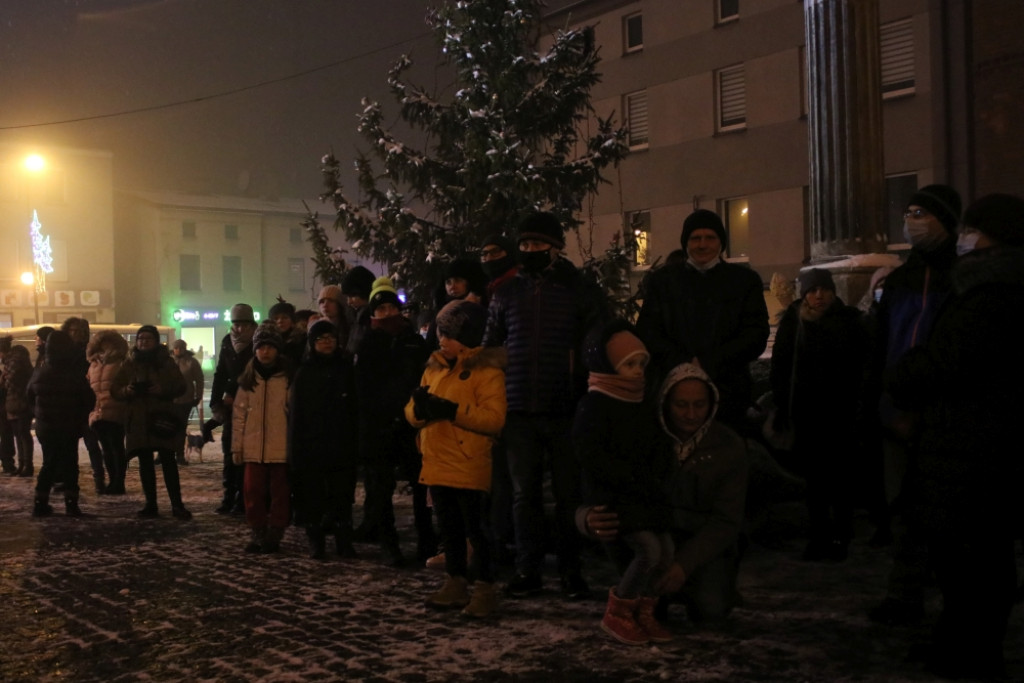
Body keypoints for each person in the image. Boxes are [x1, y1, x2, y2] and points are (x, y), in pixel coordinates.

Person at [887, 193, 1024, 679]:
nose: (967, 238)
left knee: (974, 564)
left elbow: (947, 361)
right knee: (968, 561)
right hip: (969, 448)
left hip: (974, 450)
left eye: (972, 229)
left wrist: (907, 374)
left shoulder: (991, 298)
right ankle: (957, 642)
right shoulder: (984, 290)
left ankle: (972, 653)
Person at [483, 211, 608, 600]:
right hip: (519, 407)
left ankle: (572, 572)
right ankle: (528, 570)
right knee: (525, 495)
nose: (529, 251)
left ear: (555, 248)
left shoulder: (579, 288)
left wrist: (584, 386)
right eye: (524, 245)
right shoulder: (506, 293)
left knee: (569, 494)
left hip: (565, 404)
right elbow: (492, 345)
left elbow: (598, 340)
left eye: (537, 244)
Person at [579, 363, 749, 627]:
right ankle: (633, 604)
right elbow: (600, 481)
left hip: (698, 541)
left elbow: (726, 520)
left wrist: (684, 563)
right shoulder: (641, 436)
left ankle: (702, 586)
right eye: (681, 404)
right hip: (651, 533)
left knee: (711, 613)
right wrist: (585, 517)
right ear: (666, 402)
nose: (691, 414)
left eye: (699, 404)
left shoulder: (729, 447)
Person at [867, 184, 962, 626]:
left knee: (946, 511)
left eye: (921, 212)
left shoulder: (962, 279)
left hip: (944, 415)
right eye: (908, 212)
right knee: (903, 507)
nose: (911, 221)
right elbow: (879, 342)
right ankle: (903, 594)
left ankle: (952, 600)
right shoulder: (901, 278)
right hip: (895, 411)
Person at [573, 320, 674, 645]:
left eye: (640, 363)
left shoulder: (640, 402)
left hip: (645, 493)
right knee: (648, 549)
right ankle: (619, 611)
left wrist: (655, 474)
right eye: (628, 364)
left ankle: (645, 610)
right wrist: (635, 478)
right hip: (618, 496)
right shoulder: (596, 404)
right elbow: (592, 456)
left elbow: (656, 444)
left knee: (665, 549)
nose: (637, 371)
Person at [406, 299, 506, 617]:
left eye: (448, 334)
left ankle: (485, 589)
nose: (442, 340)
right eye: (440, 334)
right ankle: (455, 581)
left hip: (469, 459)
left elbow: (494, 419)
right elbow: (412, 408)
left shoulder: (485, 369)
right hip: (437, 460)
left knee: (477, 529)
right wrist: (419, 410)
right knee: (448, 527)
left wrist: (452, 411)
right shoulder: (434, 365)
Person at [635, 209, 769, 431]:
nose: (702, 245)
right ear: (686, 242)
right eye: (695, 238)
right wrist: (682, 361)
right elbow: (648, 331)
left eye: (710, 238)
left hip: (729, 389)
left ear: (721, 242)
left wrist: (710, 362)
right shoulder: (663, 281)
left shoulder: (744, 281)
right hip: (673, 387)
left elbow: (755, 334)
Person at [770, 268, 868, 561]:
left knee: (840, 477)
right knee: (815, 480)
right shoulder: (794, 322)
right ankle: (819, 535)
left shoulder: (849, 322)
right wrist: (782, 405)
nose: (818, 295)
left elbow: (860, 367)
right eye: (812, 290)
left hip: (841, 413)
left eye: (824, 289)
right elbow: (781, 367)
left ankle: (841, 533)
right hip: (806, 413)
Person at [354, 276, 433, 565]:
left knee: (421, 484)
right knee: (381, 488)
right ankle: (389, 544)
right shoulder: (367, 343)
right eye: (381, 309)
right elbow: (363, 388)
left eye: (391, 307)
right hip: (379, 426)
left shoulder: (413, 341)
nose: (387, 313)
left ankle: (427, 542)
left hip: (412, 424)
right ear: (374, 314)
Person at [289, 319, 359, 559]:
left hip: (341, 443)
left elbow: (355, 408)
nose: (327, 343)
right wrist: (296, 450)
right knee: (314, 497)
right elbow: (297, 416)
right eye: (321, 339)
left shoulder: (346, 368)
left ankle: (344, 542)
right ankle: (316, 542)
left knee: (341, 497)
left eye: (331, 337)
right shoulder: (305, 373)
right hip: (312, 445)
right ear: (312, 343)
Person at [111, 325, 192, 520]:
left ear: (156, 341)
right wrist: (127, 391)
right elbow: (115, 389)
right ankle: (151, 504)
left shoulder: (166, 362)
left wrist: (162, 389)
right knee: (145, 463)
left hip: (162, 419)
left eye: (148, 338)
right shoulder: (129, 364)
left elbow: (181, 386)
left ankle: (177, 505)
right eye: (140, 338)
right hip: (138, 419)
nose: (143, 342)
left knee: (168, 462)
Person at [232, 322, 294, 554]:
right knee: (252, 492)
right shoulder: (249, 381)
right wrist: (237, 447)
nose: (265, 351)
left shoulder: (287, 378)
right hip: (253, 449)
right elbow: (239, 417)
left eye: (270, 347)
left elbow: (293, 415)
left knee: (280, 494)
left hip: (280, 450)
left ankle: (275, 533)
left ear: (277, 349)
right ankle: (257, 531)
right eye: (261, 347)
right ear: (255, 350)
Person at [26, 330, 96, 517]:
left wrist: (39, 414)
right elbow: (88, 399)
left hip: (45, 427)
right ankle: (71, 504)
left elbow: (29, 396)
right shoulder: (73, 374)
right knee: (70, 464)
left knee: (49, 463)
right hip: (68, 426)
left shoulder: (40, 373)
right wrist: (80, 417)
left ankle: (40, 503)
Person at [210, 303, 258, 514]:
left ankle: (243, 498)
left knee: (246, 455)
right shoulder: (227, 342)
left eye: (243, 324)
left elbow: (247, 372)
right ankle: (229, 496)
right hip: (231, 408)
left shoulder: (257, 343)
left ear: (251, 324)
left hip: (250, 404)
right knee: (229, 452)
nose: (239, 329)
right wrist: (214, 401)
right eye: (236, 324)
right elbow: (221, 372)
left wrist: (230, 391)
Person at [62, 317, 109, 495]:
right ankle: (69, 482)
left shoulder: (92, 352)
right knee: (69, 448)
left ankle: (99, 479)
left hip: (88, 403)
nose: (79, 334)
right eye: (74, 330)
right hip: (70, 405)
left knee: (93, 445)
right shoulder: (62, 353)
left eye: (82, 331)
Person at [87, 330, 131, 494]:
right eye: (102, 343)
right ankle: (112, 481)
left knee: (116, 447)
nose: (105, 346)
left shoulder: (121, 362)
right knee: (106, 449)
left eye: (108, 342)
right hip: (97, 411)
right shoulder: (93, 364)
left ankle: (119, 482)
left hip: (116, 409)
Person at [170, 339, 204, 466]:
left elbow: (199, 380)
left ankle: (179, 454)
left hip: (185, 400)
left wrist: (198, 396)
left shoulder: (192, 362)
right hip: (169, 400)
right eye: (176, 347)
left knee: (180, 428)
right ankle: (164, 453)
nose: (178, 350)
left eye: (180, 347)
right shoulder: (168, 361)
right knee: (167, 427)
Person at [4, 345, 36, 481]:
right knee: (20, 434)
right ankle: (24, 463)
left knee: (21, 434)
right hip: (18, 402)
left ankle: (26, 464)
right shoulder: (21, 362)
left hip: (18, 402)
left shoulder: (13, 363)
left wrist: (4, 377)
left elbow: (9, 382)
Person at [341, 265, 376, 354]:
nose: (349, 302)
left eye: (352, 296)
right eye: (347, 297)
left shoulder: (371, 319)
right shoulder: (354, 316)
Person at [268, 298, 307, 366]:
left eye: (285, 317)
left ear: (292, 321)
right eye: (276, 318)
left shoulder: (301, 339)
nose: (280, 321)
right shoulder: (267, 340)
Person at [0, 336, 17, 476]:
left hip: (3, 404)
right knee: (6, 434)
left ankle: (7, 463)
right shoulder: (6, 363)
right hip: (4, 403)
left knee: (5, 434)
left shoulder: (7, 363)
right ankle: (8, 463)